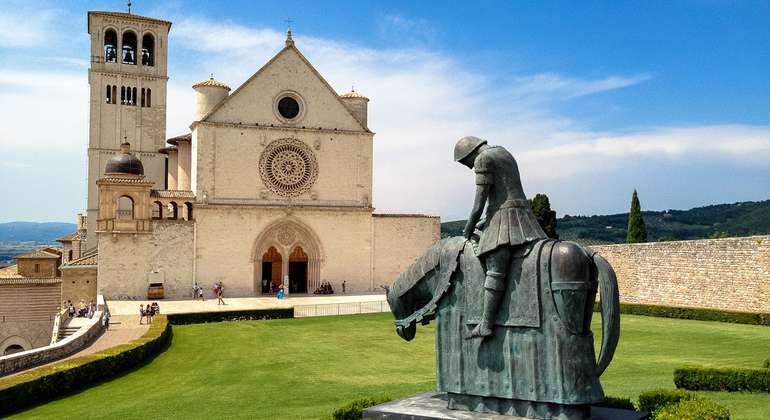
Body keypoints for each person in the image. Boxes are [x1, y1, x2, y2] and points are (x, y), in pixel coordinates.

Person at [454, 136, 547, 338]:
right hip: (523, 215)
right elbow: (504, 193)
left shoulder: (482, 159)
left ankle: (486, 323)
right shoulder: (504, 152)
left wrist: (469, 226)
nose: (469, 167)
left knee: (495, 268)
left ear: (469, 154)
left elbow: (480, 201)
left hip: (506, 219)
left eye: (465, 163)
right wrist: (485, 222)